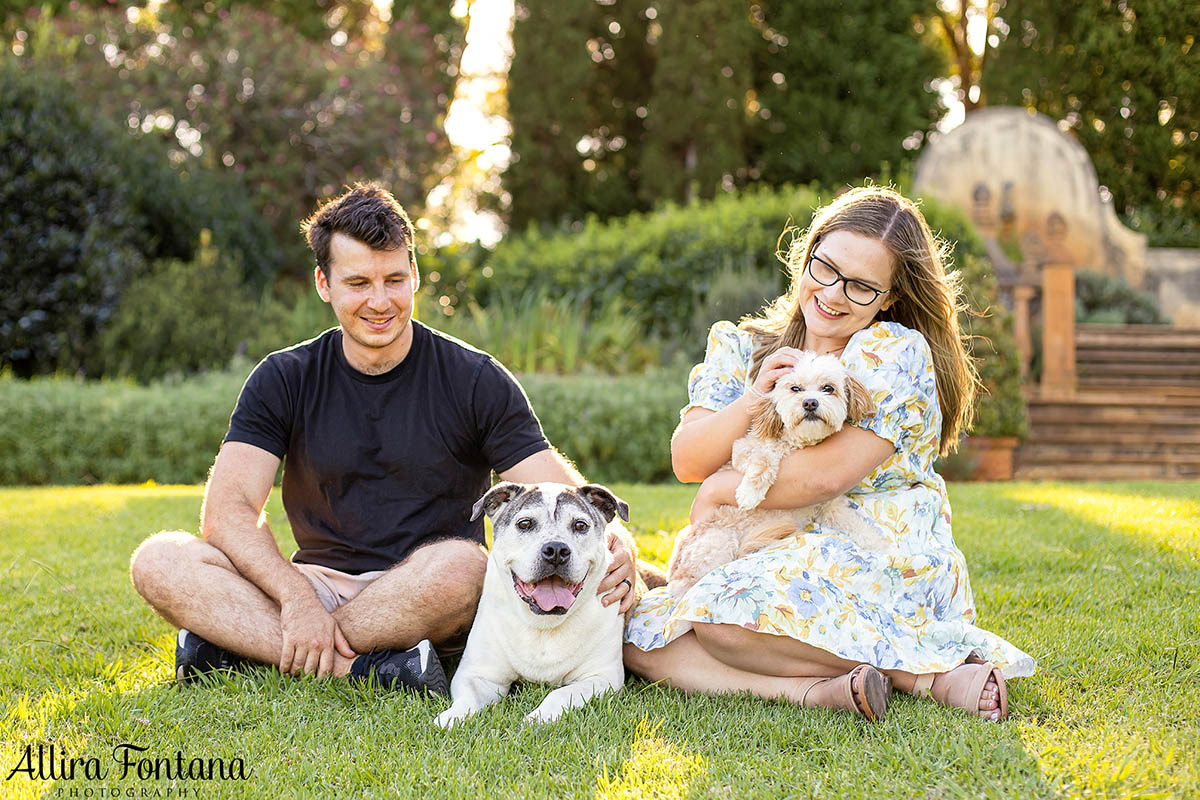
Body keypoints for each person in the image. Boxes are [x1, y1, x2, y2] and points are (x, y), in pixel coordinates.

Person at [129, 183, 639, 694]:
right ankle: (367, 670)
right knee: (160, 559)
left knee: (464, 566)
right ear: (324, 284)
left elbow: (562, 491)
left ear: (415, 275)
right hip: (316, 583)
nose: (379, 301)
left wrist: (621, 543)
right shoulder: (284, 376)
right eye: (357, 283)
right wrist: (296, 598)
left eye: (394, 279)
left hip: (423, 591)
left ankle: (242, 647)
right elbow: (229, 510)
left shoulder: (475, 378)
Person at [623, 186, 1035, 722]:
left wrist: (721, 489)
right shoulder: (744, 345)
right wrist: (755, 399)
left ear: (889, 297)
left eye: (862, 287)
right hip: (764, 543)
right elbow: (687, 459)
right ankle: (820, 691)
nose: (834, 295)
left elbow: (819, 480)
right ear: (808, 252)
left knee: (718, 617)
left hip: (869, 547)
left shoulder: (892, 353)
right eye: (825, 267)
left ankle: (927, 674)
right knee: (637, 640)